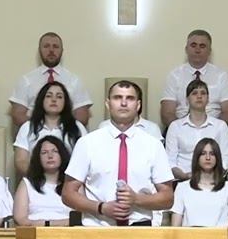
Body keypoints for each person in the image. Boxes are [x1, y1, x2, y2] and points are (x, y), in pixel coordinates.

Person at [64, 80, 175, 226]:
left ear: (138, 105)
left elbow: (168, 198)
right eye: (117, 98)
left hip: (139, 228)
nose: (123, 103)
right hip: (97, 227)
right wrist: (101, 208)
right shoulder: (87, 143)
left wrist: (136, 199)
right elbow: (68, 194)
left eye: (130, 98)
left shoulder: (153, 145)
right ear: (108, 104)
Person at [160, 30, 228, 155]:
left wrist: (212, 129)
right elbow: (167, 113)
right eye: (193, 45)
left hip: (214, 127)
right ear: (186, 49)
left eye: (202, 46)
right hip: (181, 127)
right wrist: (182, 129)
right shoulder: (174, 76)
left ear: (209, 51)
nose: (197, 50)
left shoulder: (221, 75)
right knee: (163, 147)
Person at [9, 32, 93, 128]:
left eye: (55, 46)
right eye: (46, 46)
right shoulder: (26, 80)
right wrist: (41, 130)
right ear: (39, 50)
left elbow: (82, 117)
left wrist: (59, 131)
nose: (51, 50)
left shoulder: (74, 81)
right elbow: (18, 116)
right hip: (34, 132)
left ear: (62, 51)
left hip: (66, 132)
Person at [13, 81, 87, 176]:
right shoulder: (27, 127)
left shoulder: (77, 127)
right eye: (48, 96)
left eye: (59, 97)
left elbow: (85, 160)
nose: (54, 100)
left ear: (65, 102)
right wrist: (39, 179)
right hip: (36, 180)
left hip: (69, 180)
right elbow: (21, 161)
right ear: (41, 100)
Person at [165, 79, 228, 181]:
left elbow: (226, 160)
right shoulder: (175, 127)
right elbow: (170, 162)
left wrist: (210, 176)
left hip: (214, 181)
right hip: (183, 181)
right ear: (187, 100)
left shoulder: (220, 126)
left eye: (203, 93)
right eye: (194, 93)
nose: (199, 96)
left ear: (208, 99)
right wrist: (184, 176)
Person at [170, 138, 228, 227]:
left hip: (220, 235)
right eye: (203, 153)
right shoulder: (182, 188)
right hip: (190, 235)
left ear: (217, 158)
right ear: (197, 157)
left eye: (212, 154)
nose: (208, 158)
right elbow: (175, 227)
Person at [13, 136, 73, 226]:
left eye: (55, 151)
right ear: (38, 158)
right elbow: (20, 219)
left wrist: (49, 224)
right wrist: (48, 224)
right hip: (34, 232)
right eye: (44, 153)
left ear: (62, 155)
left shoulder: (73, 183)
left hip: (68, 232)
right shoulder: (27, 183)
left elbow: (80, 218)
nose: (50, 156)